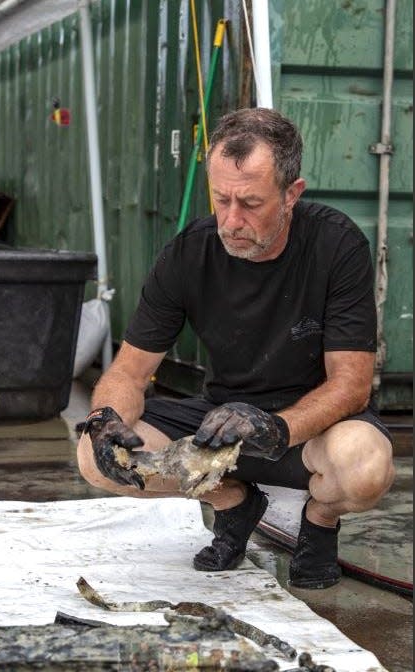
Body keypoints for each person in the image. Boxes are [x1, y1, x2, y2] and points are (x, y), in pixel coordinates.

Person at [77, 107, 395, 589]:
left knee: (365, 466)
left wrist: (275, 426)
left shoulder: (337, 245)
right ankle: (234, 503)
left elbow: (350, 386)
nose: (230, 220)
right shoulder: (189, 252)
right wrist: (104, 420)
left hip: (309, 431)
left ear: (292, 194)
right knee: (95, 457)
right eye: (220, 199)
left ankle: (320, 521)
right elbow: (128, 373)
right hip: (221, 425)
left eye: (249, 202)